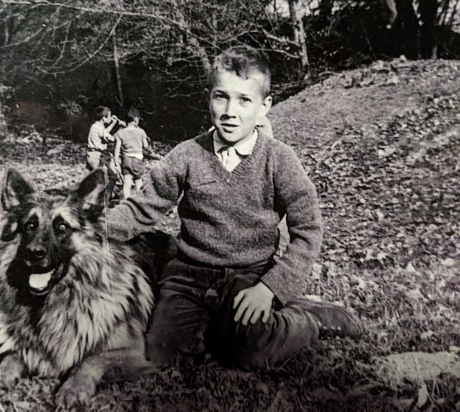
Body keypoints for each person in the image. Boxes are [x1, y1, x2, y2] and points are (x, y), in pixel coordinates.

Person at [103, 45, 362, 370]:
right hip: (189, 277)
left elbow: (308, 230)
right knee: (163, 353)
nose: (229, 111)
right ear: (209, 97)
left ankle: (306, 318)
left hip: (249, 276)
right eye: (221, 97)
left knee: (252, 352)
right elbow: (140, 208)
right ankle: (219, 326)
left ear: (265, 105)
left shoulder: (279, 160)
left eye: (244, 100)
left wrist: (270, 288)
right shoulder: (187, 155)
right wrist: (91, 228)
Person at [114, 113, 151, 199]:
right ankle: (138, 201)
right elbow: (145, 146)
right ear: (135, 120)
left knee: (126, 183)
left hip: (126, 159)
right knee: (138, 181)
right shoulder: (141, 131)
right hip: (137, 159)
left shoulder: (121, 132)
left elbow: (117, 148)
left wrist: (116, 161)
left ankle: (126, 201)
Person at [86, 106, 122, 171]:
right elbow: (112, 139)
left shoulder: (95, 125)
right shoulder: (99, 128)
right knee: (105, 175)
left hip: (92, 155)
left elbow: (105, 132)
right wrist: (121, 129)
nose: (111, 118)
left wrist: (113, 123)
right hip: (96, 156)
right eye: (109, 116)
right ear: (103, 118)